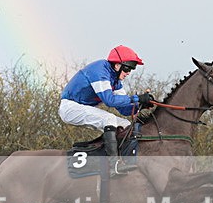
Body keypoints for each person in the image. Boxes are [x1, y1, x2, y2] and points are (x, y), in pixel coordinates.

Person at [59, 45, 154, 176]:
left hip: (82, 108)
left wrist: (140, 105)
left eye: (131, 69)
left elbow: (125, 109)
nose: (128, 73)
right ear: (117, 65)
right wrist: (136, 98)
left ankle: (126, 161)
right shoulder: (99, 70)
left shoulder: (116, 81)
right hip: (70, 108)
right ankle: (112, 165)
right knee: (108, 119)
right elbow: (109, 100)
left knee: (125, 124)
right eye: (127, 68)